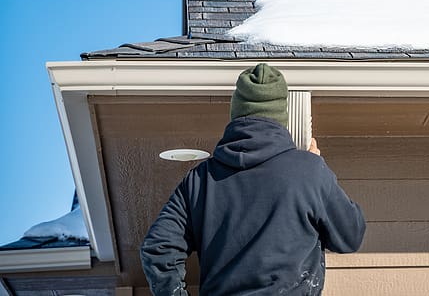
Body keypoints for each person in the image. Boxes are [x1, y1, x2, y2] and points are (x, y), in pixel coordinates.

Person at [141, 63, 366, 295]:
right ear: (281, 117)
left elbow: (158, 248)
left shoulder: (199, 180)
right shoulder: (310, 171)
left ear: (236, 114)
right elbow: (350, 236)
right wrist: (317, 173)